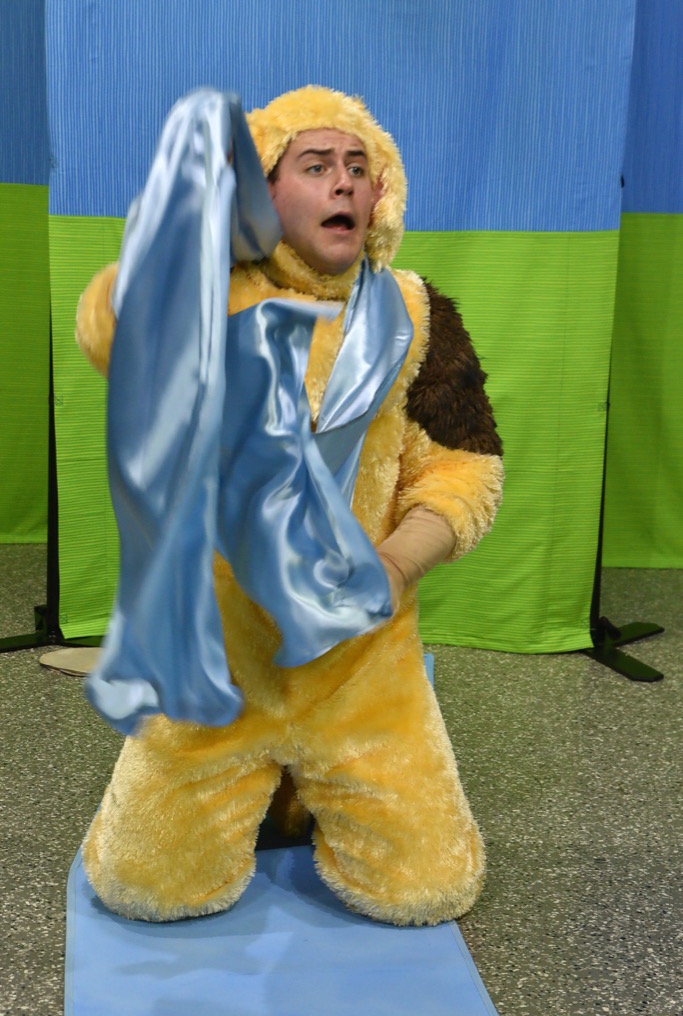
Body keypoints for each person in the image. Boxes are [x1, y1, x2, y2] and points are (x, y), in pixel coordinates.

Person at [75, 86, 503, 927]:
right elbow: (111, 330)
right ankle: (273, 784)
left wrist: (395, 563)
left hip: (361, 667)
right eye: (314, 166)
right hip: (217, 661)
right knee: (143, 888)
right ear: (264, 191)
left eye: (358, 167)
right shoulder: (209, 294)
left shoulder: (415, 316)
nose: (343, 182)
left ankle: (301, 785)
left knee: (427, 890)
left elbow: (464, 467)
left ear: (381, 194)